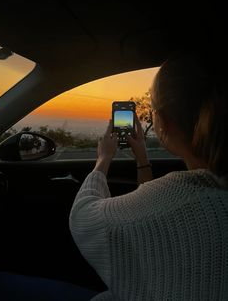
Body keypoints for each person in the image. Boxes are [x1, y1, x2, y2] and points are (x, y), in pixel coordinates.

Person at [69, 50, 228, 300]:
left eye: (152, 108)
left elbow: (83, 218)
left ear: (164, 122)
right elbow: (155, 207)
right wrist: (142, 157)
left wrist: (103, 159)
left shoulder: (179, 197)